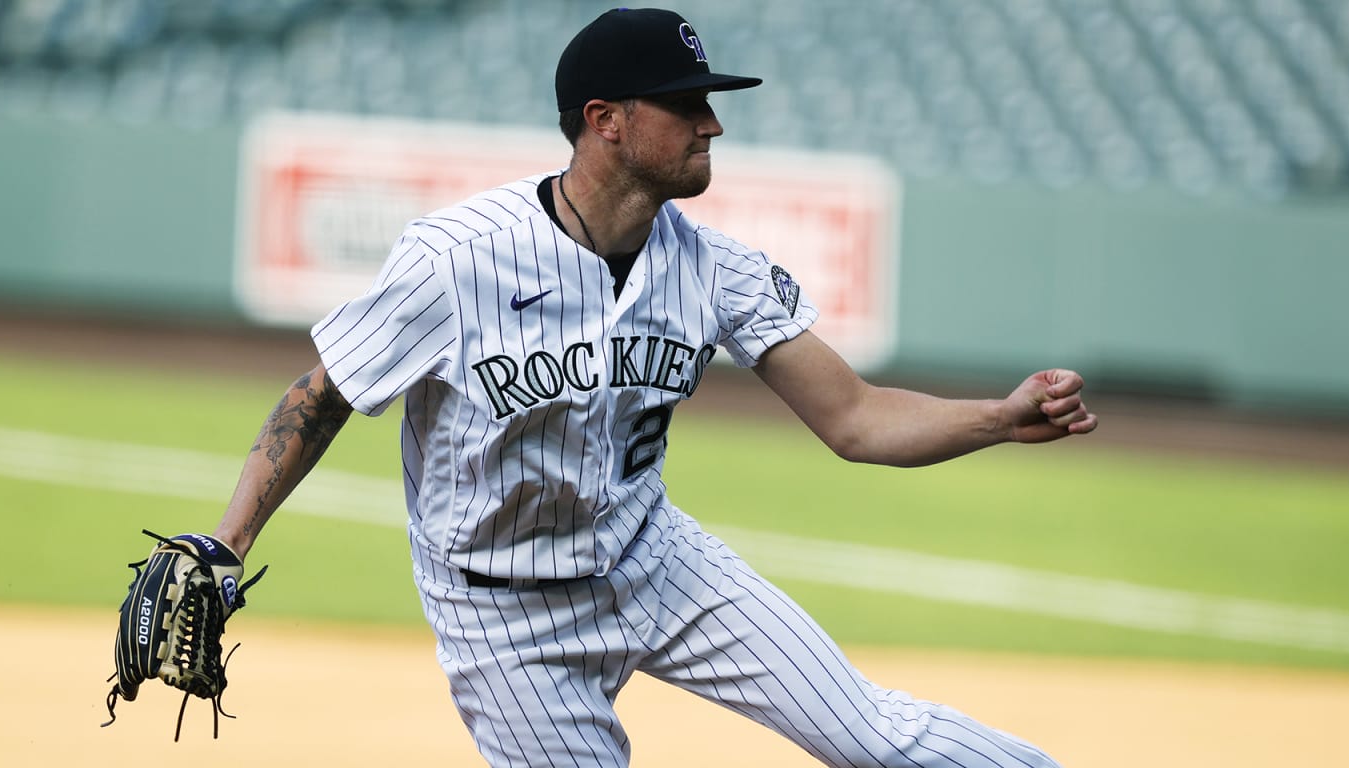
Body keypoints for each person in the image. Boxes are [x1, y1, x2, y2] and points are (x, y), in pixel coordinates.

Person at [210, 8, 1096, 766]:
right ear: (606, 120)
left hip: (655, 562)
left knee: (873, 735)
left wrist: (999, 418)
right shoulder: (457, 259)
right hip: (503, 617)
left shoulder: (714, 270)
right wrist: (223, 545)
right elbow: (318, 398)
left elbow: (856, 418)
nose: (711, 124)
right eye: (685, 104)